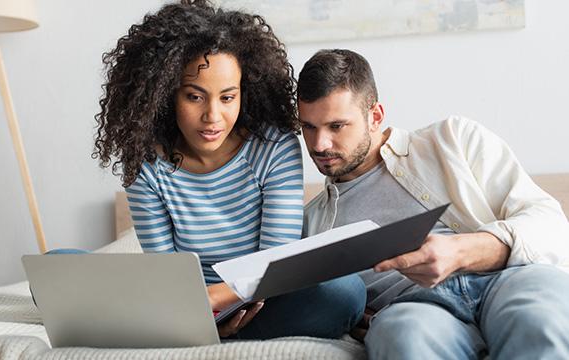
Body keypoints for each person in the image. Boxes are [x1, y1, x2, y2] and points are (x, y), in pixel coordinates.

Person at [92, 1, 365, 339]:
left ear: (243, 94)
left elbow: (274, 265)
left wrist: (215, 301)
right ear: (165, 96)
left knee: (344, 291)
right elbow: (166, 274)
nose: (213, 117)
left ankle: (191, 332)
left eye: (227, 97)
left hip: (261, 300)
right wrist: (195, 313)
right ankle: (199, 332)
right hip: (184, 302)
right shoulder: (145, 163)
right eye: (194, 97)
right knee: (61, 268)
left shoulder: (274, 146)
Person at [296, 49, 569, 359]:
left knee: (541, 319)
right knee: (403, 339)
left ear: (375, 117)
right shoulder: (310, 224)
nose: (319, 145)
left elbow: (550, 223)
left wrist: (461, 252)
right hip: (417, 309)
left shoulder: (453, 139)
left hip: (506, 279)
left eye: (336, 126)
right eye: (308, 127)